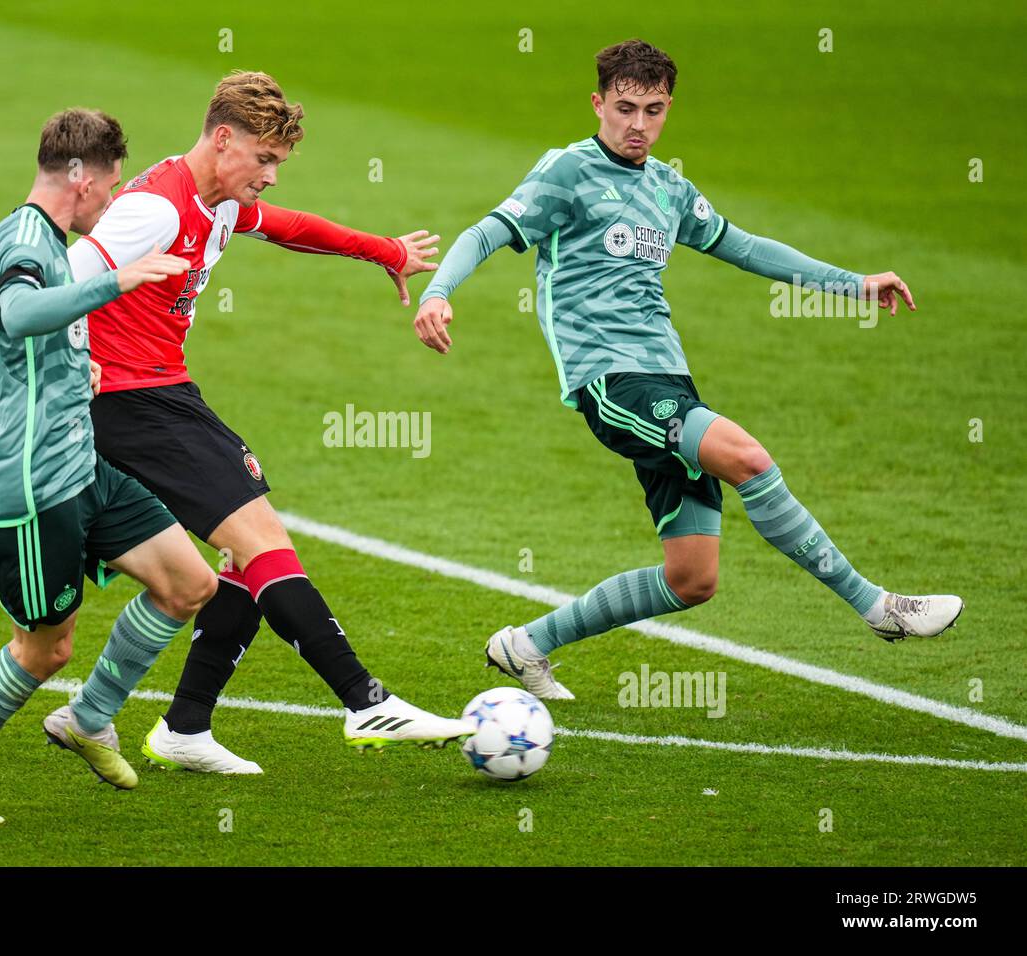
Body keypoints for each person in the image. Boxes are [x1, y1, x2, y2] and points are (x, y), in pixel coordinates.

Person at [411, 39, 963, 700]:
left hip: (669, 380)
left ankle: (526, 645)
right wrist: (439, 292)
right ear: (598, 104)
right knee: (749, 458)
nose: (638, 124)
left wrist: (852, 284)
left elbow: (745, 247)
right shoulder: (569, 172)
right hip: (611, 383)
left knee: (691, 580)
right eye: (625, 108)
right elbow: (487, 232)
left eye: (654, 109)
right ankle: (879, 607)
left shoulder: (669, 187)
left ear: (668, 108)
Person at [68, 71, 470, 772]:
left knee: (237, 561)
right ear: (224, 140)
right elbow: (57, 282)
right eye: (266, 159)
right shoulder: (157, 210)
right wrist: (21, 389)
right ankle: (365, 700)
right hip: (126, 404)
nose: (273, 177)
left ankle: (184, 728)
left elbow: (290, 228)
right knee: (261, 541)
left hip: (164, 395)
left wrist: (386, 251)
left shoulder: (215, 200)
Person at [0, 109, 216, 824]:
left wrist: (61, 375)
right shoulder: (24, 239)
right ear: (81, 177)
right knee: (45, 650)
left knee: (189, 581)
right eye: (112, 184)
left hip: (79, 464)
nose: (115, 198)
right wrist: (118, 281)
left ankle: (89, 718)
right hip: (33, 486)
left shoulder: (46, 242)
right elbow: (18, 314)